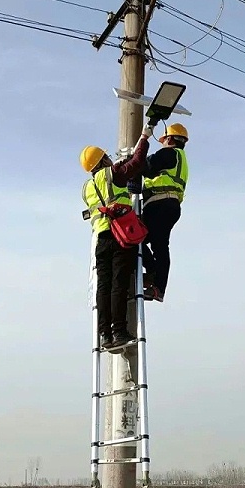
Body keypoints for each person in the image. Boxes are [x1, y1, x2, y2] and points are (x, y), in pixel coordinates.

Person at [81, 124, 153, 350]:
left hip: (101, 239)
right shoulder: (110, 175)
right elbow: (136, 164)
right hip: (120, 235)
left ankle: (105, 335)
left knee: (104, 286)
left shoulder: (87, 187)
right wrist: (144, 137)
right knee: (119, 284)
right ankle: (119, 332)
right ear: (102, 161)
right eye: (107, 157)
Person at [139, 122, 189, 302]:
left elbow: (147, 165)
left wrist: (132, 160)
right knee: (151, 242)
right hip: (168, 205)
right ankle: (155, 280)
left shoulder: (170, 153)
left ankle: (157, 283)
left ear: (168, 139)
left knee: (141, 240)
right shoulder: (179, 158)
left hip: (161, 204)